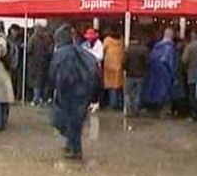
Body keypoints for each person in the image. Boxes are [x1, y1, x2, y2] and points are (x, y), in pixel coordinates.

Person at [49, 24, 100, 160]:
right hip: (84, 90)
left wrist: (55, 89)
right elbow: (95, 72)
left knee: (64, 119)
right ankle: (72, 145)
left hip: (68, 91)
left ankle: (75, 149)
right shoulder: (85, 53)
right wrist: (95, 96)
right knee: (76, 120)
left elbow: (55, 74)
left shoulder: (60, 54)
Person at [142, 28, 177, 115]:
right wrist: (174, 76)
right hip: (166, 75)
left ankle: (155, 108)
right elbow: (170, 63)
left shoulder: (156, 47)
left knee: (155, 91)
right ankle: (165, 111)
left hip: (154, 74)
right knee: (166, 93)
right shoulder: (169, 48)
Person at [27, 25, 54, 106]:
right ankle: (44, 98)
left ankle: (36, 99)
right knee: (45, 82)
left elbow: (28, 50)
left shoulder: (33, 38)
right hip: (45, 62)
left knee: (36, 82)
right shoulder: (48, 39)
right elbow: (50, 51)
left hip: (34, 63)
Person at [123, 37, 149, 117]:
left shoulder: (128, 50)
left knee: (127, 93)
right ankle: (136, 110)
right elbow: (147, 62)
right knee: (138, 94)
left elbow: (124, 63)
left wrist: (126, 69)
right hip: (140, 75)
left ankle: (129, 109)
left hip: (130, 75)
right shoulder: (144, 50)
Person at [182, 30, 197, 121]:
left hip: (191, 74)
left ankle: (194, 114)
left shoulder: (189, 47)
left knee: (192, 95)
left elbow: (184, 60)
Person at [103, 28, 125, 110]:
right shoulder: (121, 41)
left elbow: (103, 50)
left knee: (111, 87)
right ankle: (120, 104)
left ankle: (113, 104)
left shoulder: (107, 40)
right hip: (119, 66)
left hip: (109, 66)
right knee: (119, 87)